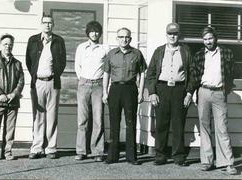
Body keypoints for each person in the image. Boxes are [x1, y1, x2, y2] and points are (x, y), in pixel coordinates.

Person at [191, 26, 237, 175]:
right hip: (203, 91)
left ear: (215, 38)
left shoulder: (226, 53)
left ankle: (228, 163)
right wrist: (191, 92)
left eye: (210, 38)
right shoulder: (199, 55)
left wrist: (226, 88)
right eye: (205, 39)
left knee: (221, 127)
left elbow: (231, 72)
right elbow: (194, 75)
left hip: (219, 93)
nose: (208, 41)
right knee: (204, 127)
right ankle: (207, 161)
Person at [146, 23, 193, 166]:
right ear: (166, 35)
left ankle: (179, 156)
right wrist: (152, 92)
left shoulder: (185, 51)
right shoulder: (159, 51)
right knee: (161, 123)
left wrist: (189, 93)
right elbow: (151, 74)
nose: (173, 36)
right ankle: (160, 155)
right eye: (170, 34)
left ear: (179, 35)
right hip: (162, 89)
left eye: (175, 34)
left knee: (179, 123)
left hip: (180, 90)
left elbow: (192, 74)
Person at [102, 27, 147, 165]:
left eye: (126, 37)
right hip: (115, 89)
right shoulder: (111, 54)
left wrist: (140, 91)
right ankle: (112, 156)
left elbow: (143, 73)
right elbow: (106, 74)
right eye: (121, 37)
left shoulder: (137, 54)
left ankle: (131, 157)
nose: (124, 39)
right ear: (117, 39)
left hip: (130, 89)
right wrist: (105, 91)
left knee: (130, 122)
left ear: (130, 39)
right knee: (114, 123)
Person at [26, 15, 66, 159]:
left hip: (52, 83)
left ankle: (51, 148)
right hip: (37, 83)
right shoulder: (33, 40)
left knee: (52, 116)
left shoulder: (58, 41)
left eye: (50, 23)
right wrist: (36, 76)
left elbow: (62, 62)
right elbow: (28, 61)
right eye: (45, 23)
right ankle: (37, 148)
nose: (47, 25)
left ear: (53, 24)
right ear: (41, 24)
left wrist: (54, 75)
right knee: (38, 116)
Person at [0, 33, 24, 162]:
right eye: (5, 44)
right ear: (1, 45)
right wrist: (0, 94)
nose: (8, 46)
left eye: (10, 44)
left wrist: (14, 94)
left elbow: (21, 81)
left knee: (10, 128)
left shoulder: (18, 63)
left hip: (13, 101)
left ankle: (7, 152)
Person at [74, 21, 108, 162]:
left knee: (98, 119)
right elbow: (78, 66)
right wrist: (83, 80)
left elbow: (107, 70)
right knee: (82, 119)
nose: (94, 34)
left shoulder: (104, 48)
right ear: (88, 33)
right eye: (92, 31)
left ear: (100, 33)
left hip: (98, 85)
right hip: (84, 84)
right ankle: (81, 151)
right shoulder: (82, 48)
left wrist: (105, 87)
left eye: (97, 31)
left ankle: (97, 151)